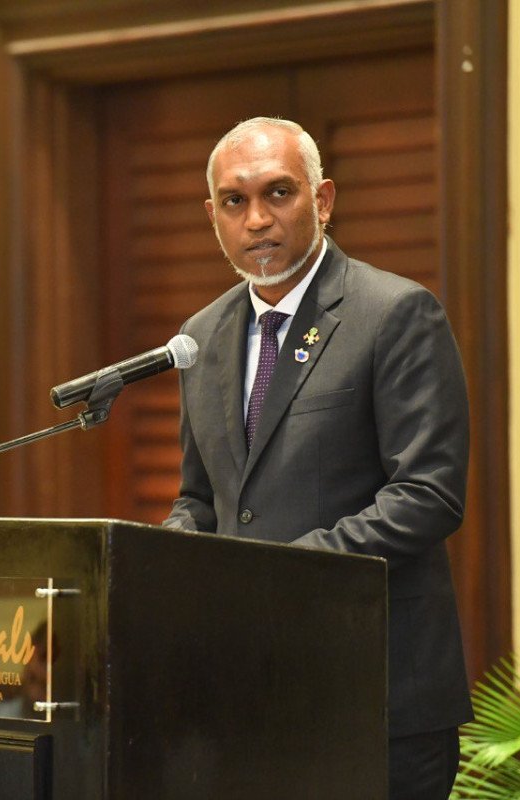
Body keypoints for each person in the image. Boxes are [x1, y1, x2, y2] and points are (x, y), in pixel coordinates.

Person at [163, 116, 472, 799]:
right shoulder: (199, 337)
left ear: (323, 200)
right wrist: (165, 561)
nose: (256, 220)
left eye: (278, 193)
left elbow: (428, 494)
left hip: (376, 697)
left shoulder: (395, 313)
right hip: (249, 695)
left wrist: (284, 573)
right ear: (212, 215)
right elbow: (201, 498)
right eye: (235, 201)